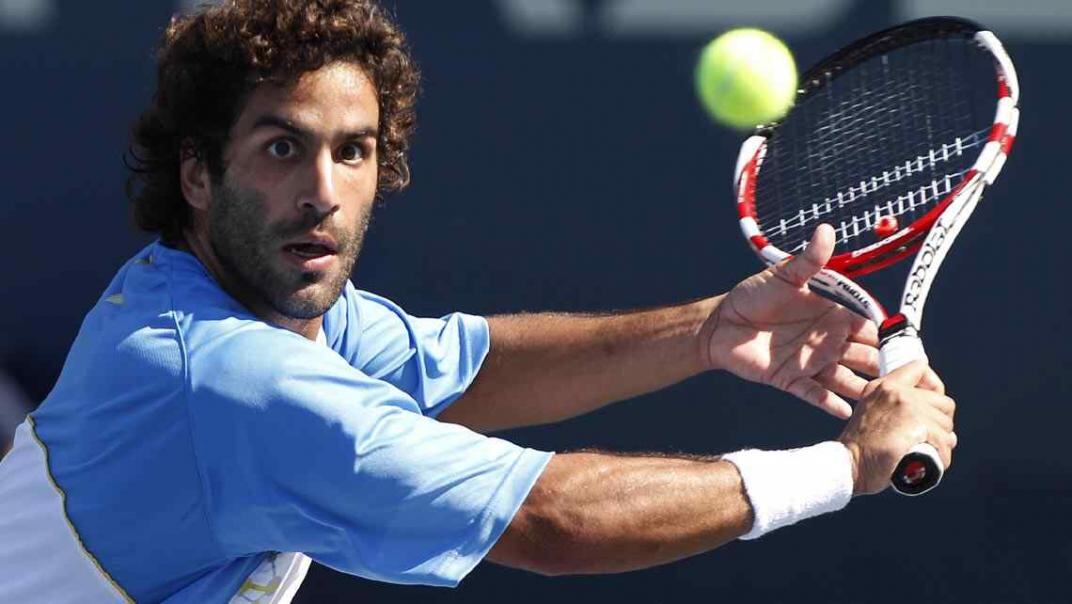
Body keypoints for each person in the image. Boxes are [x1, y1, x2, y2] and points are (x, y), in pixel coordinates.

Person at [0, 1, 956, 603]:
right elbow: (551, 523)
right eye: (281, 148)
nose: (324, 190)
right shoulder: (229, 380)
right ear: (200, 176)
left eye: (355, 150)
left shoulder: (238, 303)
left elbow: (473, 367)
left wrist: (704, 333)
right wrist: (842, 467)